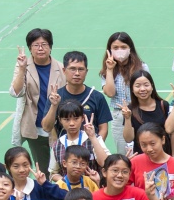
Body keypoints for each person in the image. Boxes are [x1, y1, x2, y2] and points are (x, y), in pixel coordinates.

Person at [40, 50, 113, 141]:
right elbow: (46, 127)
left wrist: (95, 145)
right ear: (64, 71)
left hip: (90, 147)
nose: (77, 73)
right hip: (65, 147)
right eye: (73, 69)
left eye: (81, 69)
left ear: (86, 72)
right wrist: (54, 106)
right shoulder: (56, 97)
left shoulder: (97, 97)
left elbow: (103, 129)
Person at [11, 28, 57, 170]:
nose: (40, 48)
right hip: (35, 127)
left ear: (50, 47)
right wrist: (22, 69)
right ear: (30, 48)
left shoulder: (61, 68)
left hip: (56, 126)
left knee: (60, 165)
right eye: (36, 45)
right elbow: (15, 92)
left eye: (44, 44)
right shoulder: (23, 67)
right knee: (42, 168)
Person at [100, 33, 144, 153]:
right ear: (109, 50)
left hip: (140, 112)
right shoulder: (106, 72)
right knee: (124, 153)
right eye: (115, 48)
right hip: (120, 116)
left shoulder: (142, 67)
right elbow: (110, 93)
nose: (120, 50)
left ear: (130, 48)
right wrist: (109, 69)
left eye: (123, 47)